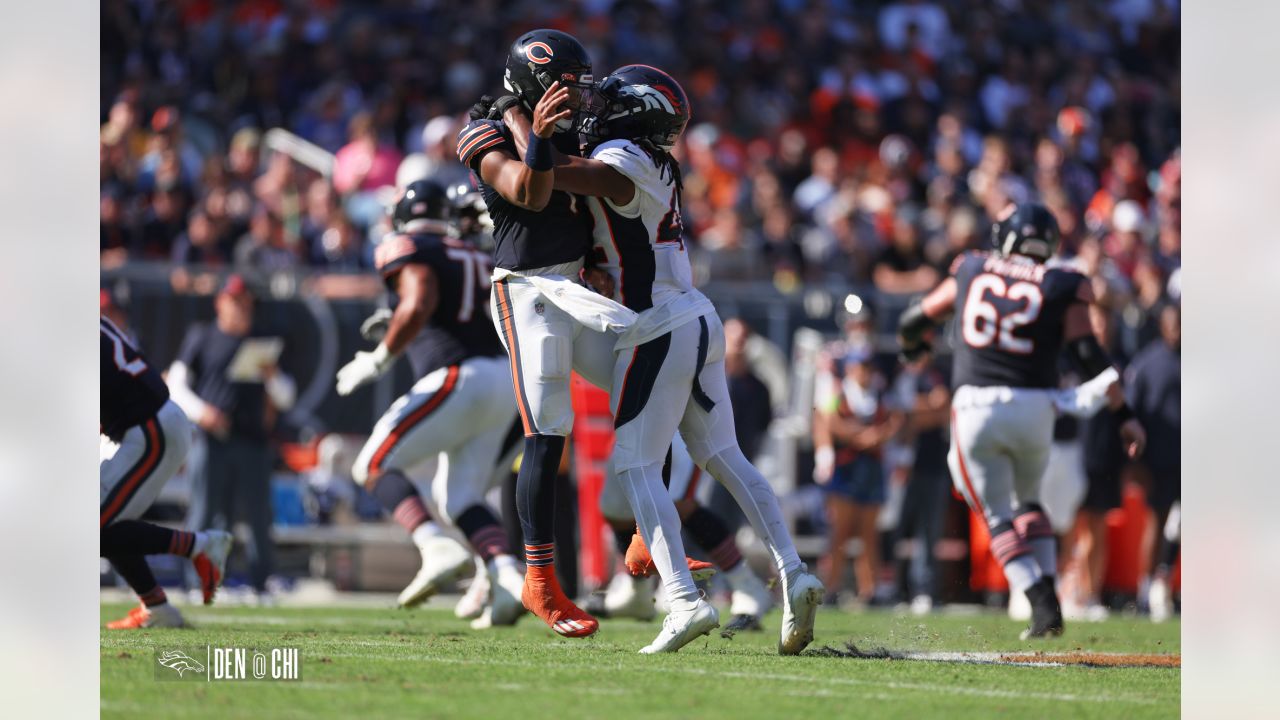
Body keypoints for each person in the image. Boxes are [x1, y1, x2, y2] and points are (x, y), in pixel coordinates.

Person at [502, 64, 825, 653]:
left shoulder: (625, 157)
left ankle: (682, 600)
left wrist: (522, 124)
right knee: (724, 456)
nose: (594, 105)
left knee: (635, 467)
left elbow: (556, 175)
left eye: (609, 99)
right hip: (695, 317)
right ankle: (794, 570)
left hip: (657, 328)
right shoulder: (653, 160)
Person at [897, 202, 1146, 639]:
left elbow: (916, 317)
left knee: (995, 513)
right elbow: (1088, 353)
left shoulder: (973, 267)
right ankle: (1048, 589)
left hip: (976, 407)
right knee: (1029, 501)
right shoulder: (1060, 281)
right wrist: (1124, 414)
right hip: (1037, 408)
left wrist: (914, 347)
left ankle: (1039, 599)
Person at [456, 29, 624, 639]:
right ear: (532, 82)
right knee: (548, 426)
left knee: (647, 385)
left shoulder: (554, 126)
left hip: (575, 284)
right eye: (564, 84)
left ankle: (643, 535)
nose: (575, 96)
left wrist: (599, 256)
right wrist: (541, 136)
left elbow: (587, 201)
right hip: (524, 289)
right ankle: (540, 579)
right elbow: (529, 193)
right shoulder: (485, 130)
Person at [336, 179, 525, 627]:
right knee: (459, 496)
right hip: (506, 379)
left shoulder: (406, 246)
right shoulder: (479, 253)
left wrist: (381, 358)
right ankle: (506, 577)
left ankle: (435, 546)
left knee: (374, 465)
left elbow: (421, 297)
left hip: (461, 374)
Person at [167, 275, 296, 598]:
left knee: (257, 517)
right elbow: (176, 385)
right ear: (220, 303)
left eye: (245, 303)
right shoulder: (202, 336)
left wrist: (273, 376)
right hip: (211, 441)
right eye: (234, 301)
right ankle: (199, 583)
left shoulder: (261, 340)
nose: (241, 309)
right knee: (205, 513)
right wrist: (203, 413)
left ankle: (261, 582)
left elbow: (285, 397)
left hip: (253, 441)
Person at [100, 316, 232, 629]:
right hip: (140, 428)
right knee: (103, 522)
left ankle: (200, 545)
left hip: (149, 430)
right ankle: (157, 608)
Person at [813, 346, 901, 606]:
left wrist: (878, 436)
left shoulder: (882, 394)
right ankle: (832, 587)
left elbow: (896, 421)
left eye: (867, 367)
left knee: (869, 532)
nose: (864, 372)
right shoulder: (837, 393)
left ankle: (870, 589)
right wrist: (859, 437)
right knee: (840, 530)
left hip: (871, 468)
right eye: (859, 366)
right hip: (847, 468)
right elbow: (827, 420)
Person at [1127, 302, 1180, 619]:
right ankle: (1145, 588)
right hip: (1158, 459)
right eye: (1174, 324)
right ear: (1162, 326)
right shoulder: (1148, 363)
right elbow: (1133, 413)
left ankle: (1166, 585)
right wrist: (1136, 461)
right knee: (1156, 522)